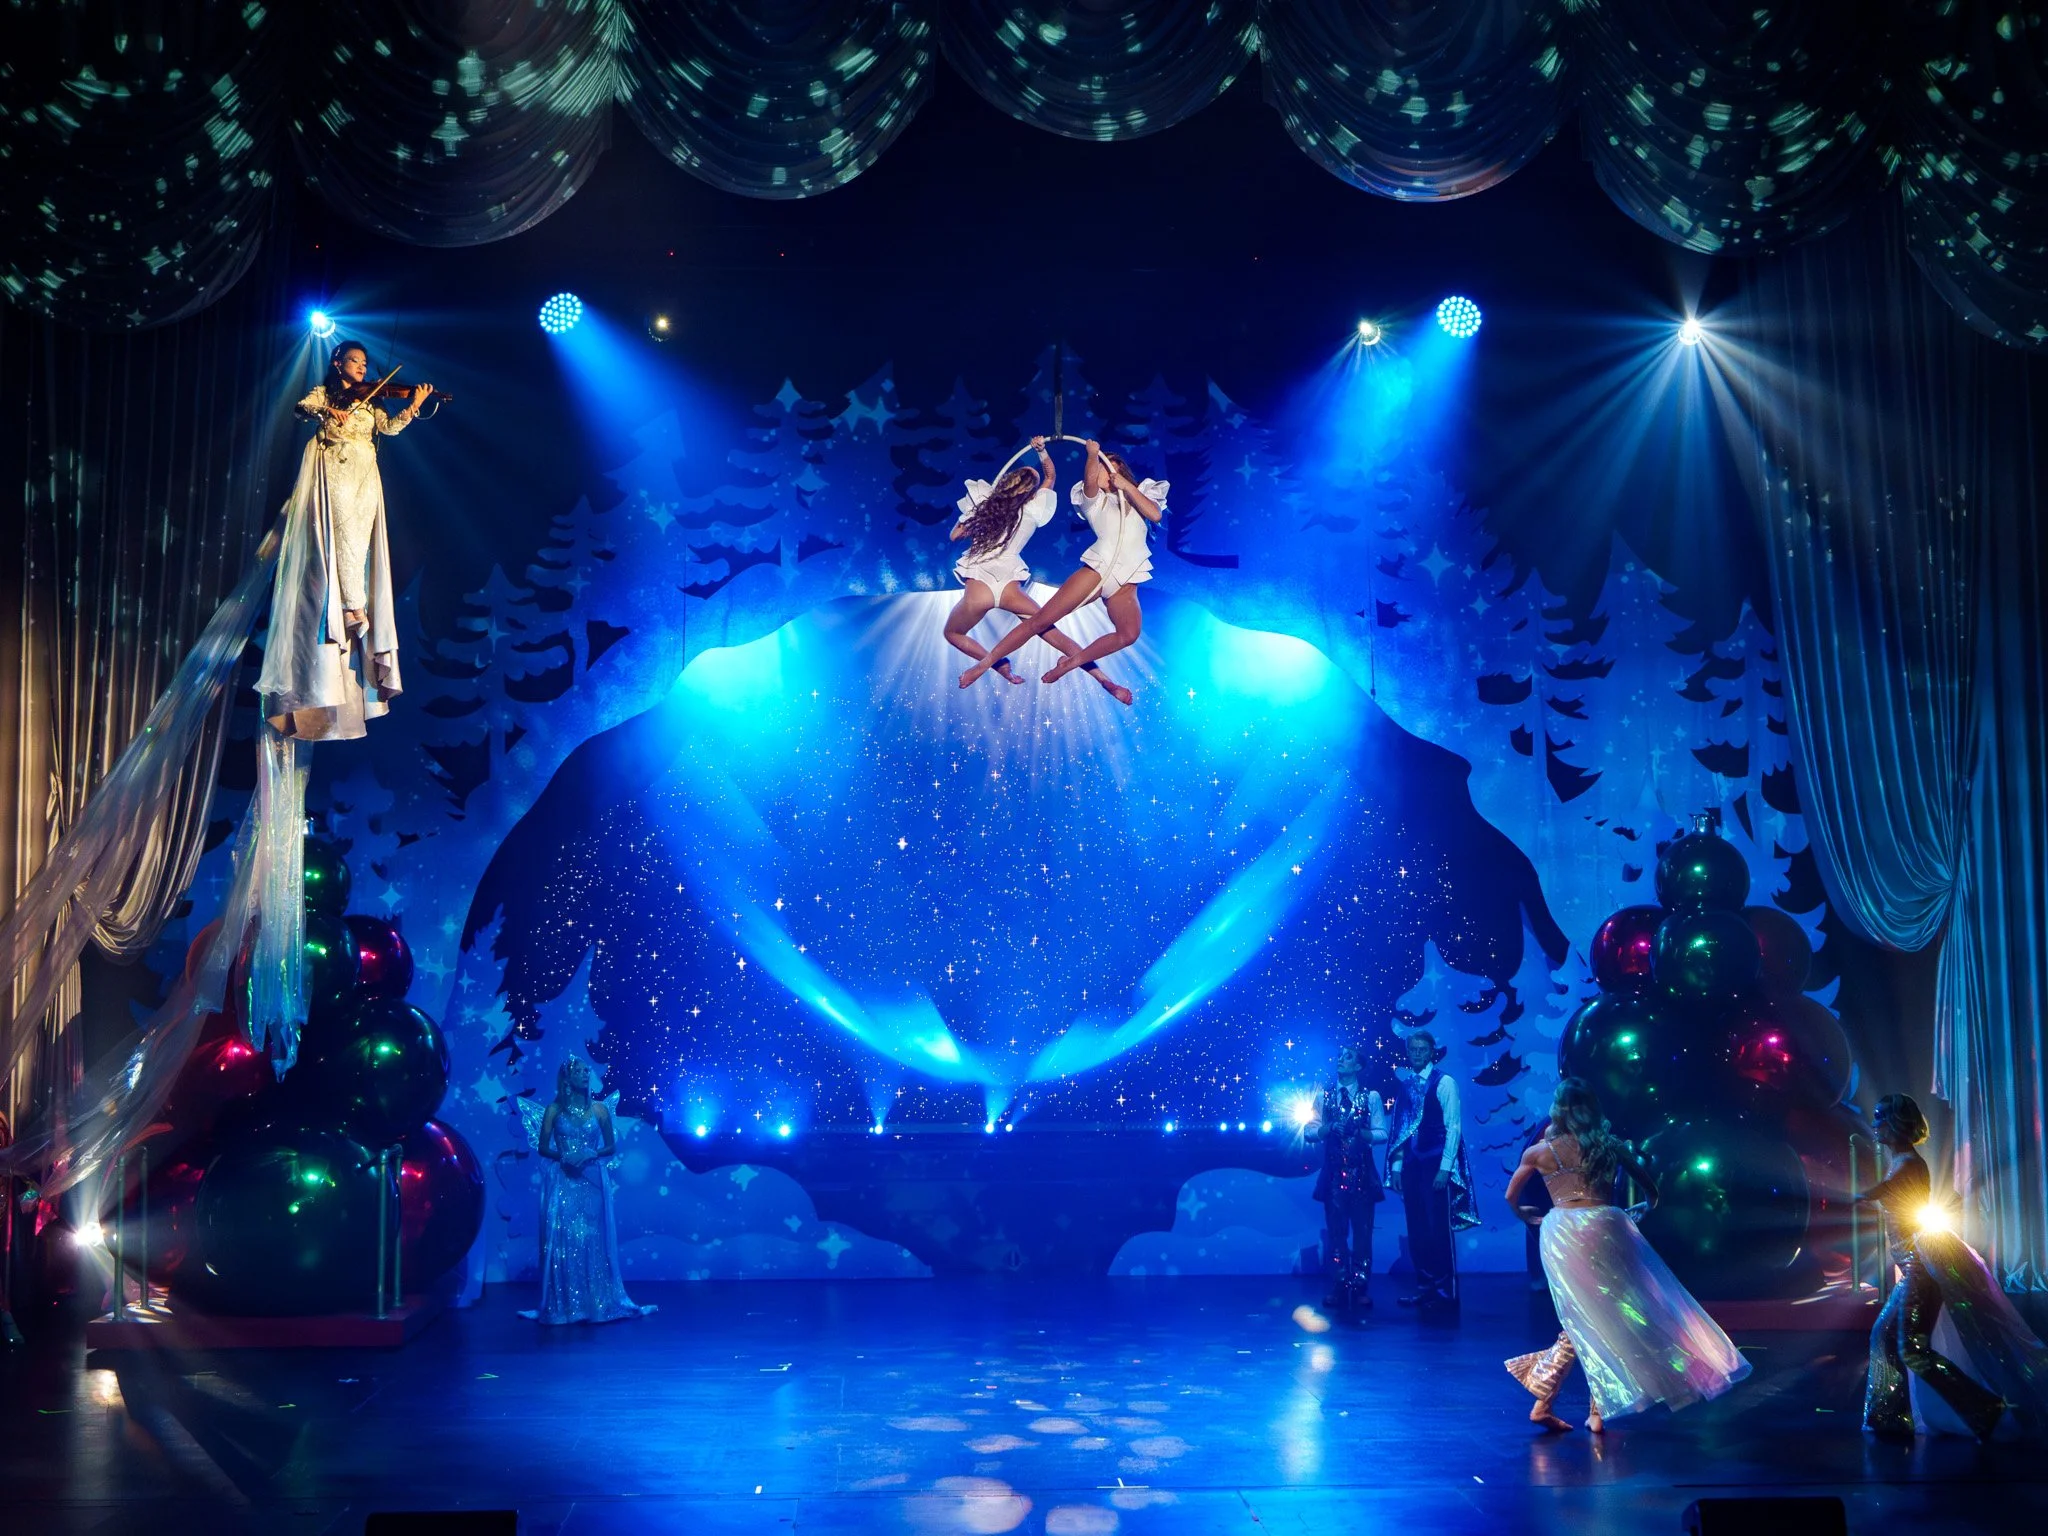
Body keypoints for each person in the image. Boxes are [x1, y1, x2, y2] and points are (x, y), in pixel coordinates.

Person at [1504, 1077, 1750, 1433]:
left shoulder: (1539, 1152)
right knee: (1604, 1314)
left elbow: (1511, 1196)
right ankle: (1588, 1410)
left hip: (1563, 1233)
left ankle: (1558, 1403)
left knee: (1584, 1316)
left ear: (1558, 1109)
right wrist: (1638, 1210)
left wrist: (1526, 1215)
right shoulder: (1610, 1146)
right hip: (1606, 1227)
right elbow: (1652, 1192)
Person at [256, 340, 434, 741]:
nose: (362, 368)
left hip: (365, 475)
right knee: (344, 533)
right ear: (338, 363)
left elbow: (389, 428)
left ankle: (356, 604)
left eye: (364, 363)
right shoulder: (326, 393)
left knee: (361, 539)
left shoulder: (371, 401)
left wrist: (414, 404)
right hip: (336, 469)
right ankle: (352, 607)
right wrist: (326, 410)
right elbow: (301, 407)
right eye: (355, 361)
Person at [1858, 1092, 2048, 1441]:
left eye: (1881, 1117)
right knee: (1883, 1335)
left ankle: (1984, 1409)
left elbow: (1889, 1188)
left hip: (1920, 1267)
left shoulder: (1909, 1164)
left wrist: (1864, 1194)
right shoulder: (1898, 1161)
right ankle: (1889, 1416)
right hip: (1911, 1266)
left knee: (1911, 1349)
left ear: (1897, 1123)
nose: (1875, 1124)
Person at [956, 439, 1165, 692]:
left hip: (1127, 581)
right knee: (1040, 621)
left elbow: (1155, 514)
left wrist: (1127, 486)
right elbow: (1089, 483)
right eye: (1100, 467)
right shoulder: (1094, 502)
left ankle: (1069, 664)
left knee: (1128, 635)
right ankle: (983, 665)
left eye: (1107, 466)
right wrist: (1092, 455)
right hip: (1099, 571)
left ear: (1118, 469)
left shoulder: (1141, 495)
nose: (1102, 472)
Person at [520, 1058, 657, 1326]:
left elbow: (611, 1146)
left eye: (586, 1071)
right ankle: (567, 1305)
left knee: (591, 1239)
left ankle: (594, 1302)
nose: (585, 1074)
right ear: (567, 1078)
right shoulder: (554, 1110)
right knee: (566, 1241)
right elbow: (542, 1147)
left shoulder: (600, 1110)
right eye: (579, 1071)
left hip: (591, 1180)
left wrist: (590, 1153)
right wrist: (564, 1156)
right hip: (564, 1181)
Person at [1388, 1030, 1474, 1309]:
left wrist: (1445, 1169)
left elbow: (1453, 1127)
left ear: (1431, 1052)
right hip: (1412, 1165)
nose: (1417, 1054)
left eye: (1422, 1049)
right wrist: (1397, 1167)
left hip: (1435, 1163)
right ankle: (1425, 1286)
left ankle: (1445, 1290)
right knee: (1417, 1228)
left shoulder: (1444, 1082)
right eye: (1412, 1049)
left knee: (1438, 1229)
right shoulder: (1406, 1086)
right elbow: (1400, 1129)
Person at [1303, 1045, 1388, 1312]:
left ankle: (1360, 1286)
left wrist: (1362, 1133)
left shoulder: (1371, 1097)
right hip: (1333, 1175)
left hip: (1361, 1173)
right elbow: (1308, 1131)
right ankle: (1339, 1285)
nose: (1341, 1060)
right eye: (1339, 1057)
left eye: (1347, 1057)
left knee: (1363, 1234)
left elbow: (1382, 1132)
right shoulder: (1324, 1096)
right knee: (1336, 1234)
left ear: (1358, 1066)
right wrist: (1328, 1129)